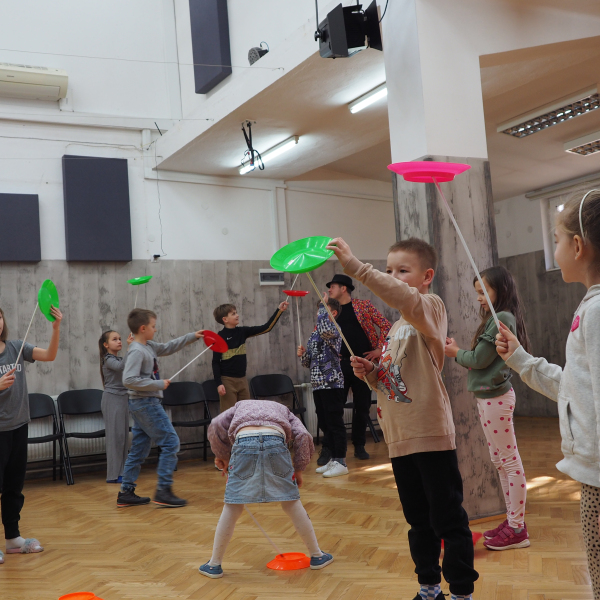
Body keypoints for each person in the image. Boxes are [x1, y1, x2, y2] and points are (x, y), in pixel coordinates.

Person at [327, 236, 478, 600]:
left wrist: (358, 268)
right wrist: (370, 373)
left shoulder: (430, 308)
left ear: (427, 276)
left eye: (402, 271)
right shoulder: (395, 329)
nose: (393, 277)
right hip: (399, 439)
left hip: (430, 434)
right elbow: (391, 380)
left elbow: (405, 298)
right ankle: (429, 589)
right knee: (418, 522)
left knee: (448, 519)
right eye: (389, 270)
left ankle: (461, 592)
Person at [496, 189, 600, 598]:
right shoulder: (590, 307)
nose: (554, 250)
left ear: (577, 246)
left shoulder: (597, 311)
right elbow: (576, 388)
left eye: (555, 240)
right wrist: (520, 359)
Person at [444, 266, 531, 551]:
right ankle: (513, 520)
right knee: (500, 462)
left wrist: (455, 352)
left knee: (509, 462)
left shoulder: (502, 317)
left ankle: (517, 528)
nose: (479, 298)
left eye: (484, 292)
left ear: (500, 290)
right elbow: (479, 358)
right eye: (477, 293)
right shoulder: (497, 317)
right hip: (489, 399)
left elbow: (478, 360)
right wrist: (459, 351)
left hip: (496, 399)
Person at [199, 399, 333, 578]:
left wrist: (222, 456)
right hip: (275, 441)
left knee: (232, 506)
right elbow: (303, 435)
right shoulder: (284, 410)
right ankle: (317, 555)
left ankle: (214, 565)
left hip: (244, 442)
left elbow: (215, 424)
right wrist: (299, 469)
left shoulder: (239, 405)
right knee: (291, 502)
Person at [117, 308, 204, 509]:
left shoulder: (148, 346)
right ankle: (163, 490)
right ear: (143, 328)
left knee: (139, 448)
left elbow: (168, 347)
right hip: (145, 403)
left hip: (143, 403)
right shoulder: (137, 351)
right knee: (171, 442)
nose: (155, 330)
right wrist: (157, 384)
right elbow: (129, 380)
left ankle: (126, 492)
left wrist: (192, 336)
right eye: (153, 326)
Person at [0, 304, 63, 564]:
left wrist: (55, 328)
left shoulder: (16, 347)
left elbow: (49, 355)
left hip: (18, 425)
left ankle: (13, 538)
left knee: (14, 486)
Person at [325, 273, 391, 462]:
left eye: (333, 286)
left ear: (343, 288)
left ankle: (359, 445)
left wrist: (379, 349)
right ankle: (334, 449)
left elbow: (386, 325)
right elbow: (320, 333)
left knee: (362, 407)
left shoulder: (363, 306)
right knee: (335, 408)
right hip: (340, 364)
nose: (330, 290)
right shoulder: (331, 311)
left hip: (363, 363)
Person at [297, 297, 347, 478]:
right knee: (325, 423)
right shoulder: (315, 333)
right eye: (319, 310)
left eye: (323, 309)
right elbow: (309, 362)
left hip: (332, 383)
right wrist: (303, 355)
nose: (319, 313)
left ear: (332, 313)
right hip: (318, 384)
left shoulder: (333, 328)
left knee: (335, 422)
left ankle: (341, 461)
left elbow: (325, 330)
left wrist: (322, 307)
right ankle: (333, 459)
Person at [212, 301, 289, 413]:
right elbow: (215, 362)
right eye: (233, 314)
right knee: (229, 415)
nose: (237, 315)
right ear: (225, 319)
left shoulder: (242, 331)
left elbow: (266, 328)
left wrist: (279, 310)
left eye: (236, 312)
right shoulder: (219, 337)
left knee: (246, 413)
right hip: (227, 381)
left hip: (242, 380)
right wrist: (219, 383)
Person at [99, 329, 133, 484]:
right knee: (115, 438)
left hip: (123, 399)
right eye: (114, 339)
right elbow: (121, 367)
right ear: (106, 345)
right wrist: (130, 348)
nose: (119, 341)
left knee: (123, 438)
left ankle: (122, 472)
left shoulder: (118, 359)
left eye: (119, 338)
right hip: (112, 400)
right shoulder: (107, 359)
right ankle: (113, 475)